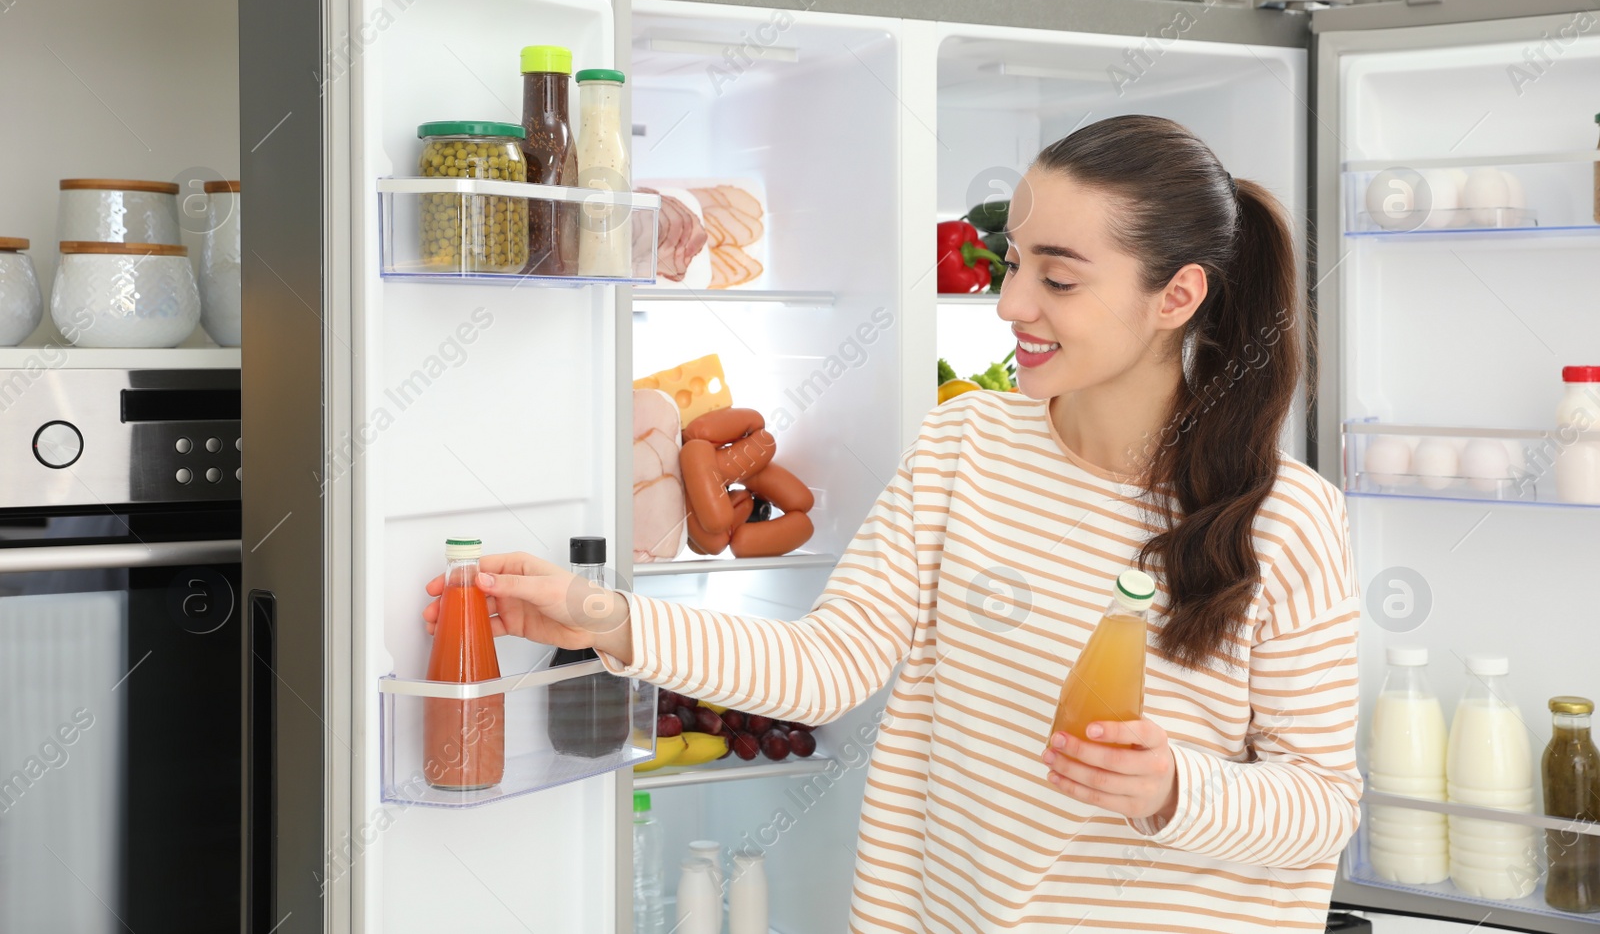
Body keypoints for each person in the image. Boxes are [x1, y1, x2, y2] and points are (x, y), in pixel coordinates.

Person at [424, 114, 1359, 932]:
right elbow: (827, 666)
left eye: (1059, 281)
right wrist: (602, 618)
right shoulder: (969, 445)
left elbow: (1322, 804)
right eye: (1013, 262)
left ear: (1178, 297)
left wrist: (1172, 788)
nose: (1010, 304)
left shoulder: (1287, 521)